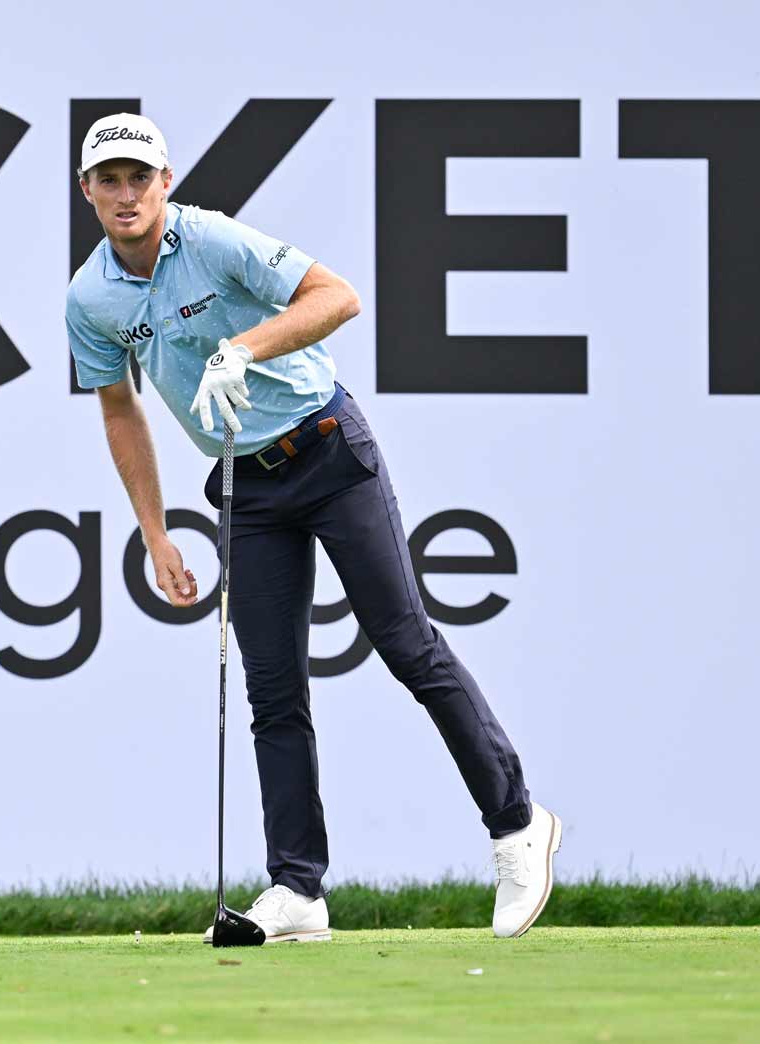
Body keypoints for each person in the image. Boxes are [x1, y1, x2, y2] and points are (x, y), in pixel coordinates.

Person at [67, 113, 560, 942]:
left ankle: (517, 826)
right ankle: (298, 888)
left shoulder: (215, 242)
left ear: (166, 181)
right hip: (244, 488)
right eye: (108, 180)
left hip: (328, 452)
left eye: (138, 178)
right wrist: (154, 531)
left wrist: (244, 349)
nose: (126, 194)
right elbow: (120, 409)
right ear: (87, 191)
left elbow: (337, 296)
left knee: (406, 643)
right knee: (274, 689)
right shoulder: (90, 298)